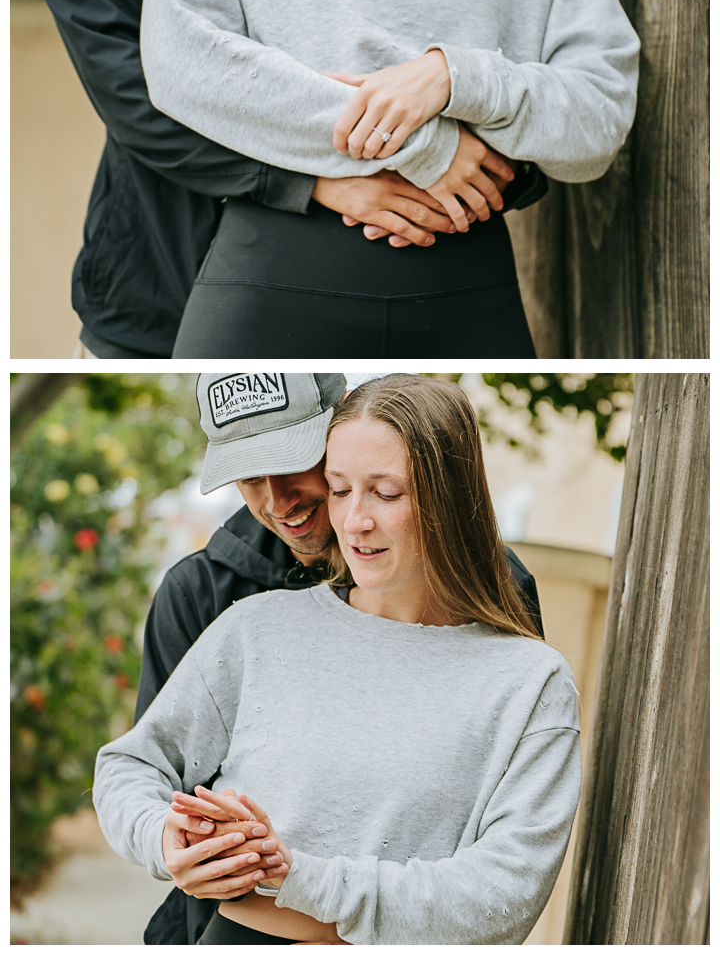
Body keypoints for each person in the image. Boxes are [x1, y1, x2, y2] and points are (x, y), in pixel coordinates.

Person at [94, 374, 579, 945]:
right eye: (341, 489)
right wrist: (166, 836)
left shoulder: (528, 677)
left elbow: (503, 894)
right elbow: (137, 766)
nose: (353, 521)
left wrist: (299, 876)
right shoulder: (248, 622)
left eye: (386, 492)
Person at [21, 0, 544, 358]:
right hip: (158, 284)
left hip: (418, 275)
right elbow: (127, 76)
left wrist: (473, 131)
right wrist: (316, 174)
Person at [140, 0, 639, 357]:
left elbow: (602, 109)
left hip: (469, 281)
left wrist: (456, 77)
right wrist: (427, 148)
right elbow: (183, 61)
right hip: (276, 277)